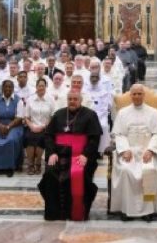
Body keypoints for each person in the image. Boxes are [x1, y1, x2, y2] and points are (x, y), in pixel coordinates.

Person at [39, 90, 103, 221]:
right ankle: (54, 213)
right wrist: (52, 153)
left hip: (80, 156)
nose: (72, 101)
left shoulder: (90, 115)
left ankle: (76, 212)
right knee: (50, 173)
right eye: (70, 99)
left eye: (75, 99)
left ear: (81, 100)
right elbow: (49, 136)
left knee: (78, 174)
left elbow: (94, 139)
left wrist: (86, 155)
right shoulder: (58, 114)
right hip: (59, 155)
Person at [110, 84, 157, 219]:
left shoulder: (153, 112)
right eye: (134, 94)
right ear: (130, 96)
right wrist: (125, 150)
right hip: (129, 152)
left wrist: (151, 150)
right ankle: (127, 209)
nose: (137, 96)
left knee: (149, 170)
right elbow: (119, 134)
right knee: (125, 170)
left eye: (139, 94)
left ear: (144, 95)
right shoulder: (123, 113)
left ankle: (148, 210)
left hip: (147, 152)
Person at [0, 80, 25, 176]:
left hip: (14, 125)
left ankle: (10, 167)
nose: (8, 89)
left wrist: (8, 126)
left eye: (10, 87)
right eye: (6, 87)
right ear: (2, 88)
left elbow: (19, 117)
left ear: (13, 88)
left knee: (11, 140)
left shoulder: (18, 100)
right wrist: (0, 126)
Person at [24, 77, 56, 174]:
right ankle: (30, 164)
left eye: (43, 86)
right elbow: (26, 117)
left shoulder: (51, 99)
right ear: (36, 87)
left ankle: (38, 163)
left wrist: (43, 126)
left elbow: (52, 116)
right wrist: (31, 126)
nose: (41, 88)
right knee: (28, 138)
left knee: (41, 138)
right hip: (32, 126)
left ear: (46, 87)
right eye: (39, 86)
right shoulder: (30, 99)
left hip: (46, 127)